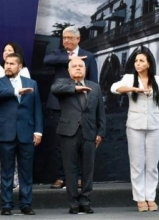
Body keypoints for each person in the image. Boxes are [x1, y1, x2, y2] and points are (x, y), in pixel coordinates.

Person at [110, 49, 159, 212]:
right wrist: (135, 90)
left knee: (152, 164)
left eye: (142, 61)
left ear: (149, 63)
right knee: (137, 163)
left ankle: (151, 197)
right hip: (135, 126)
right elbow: (115, 89)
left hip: (155, 125)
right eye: (136, 61)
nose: (138, 63)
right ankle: (140, 198)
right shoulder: (129, 78)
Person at [44, 26, 97, 189]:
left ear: (78, 39)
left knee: (80, 143)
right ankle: (61, 177)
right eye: (63, 37)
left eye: (69, 38)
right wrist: (70, 59)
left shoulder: (88, 56)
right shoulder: (58, 54)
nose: (65, 40)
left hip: (80, 106)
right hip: (58, 106)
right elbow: (46, 61)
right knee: (59, 143)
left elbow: (94, 82)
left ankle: (79, 177)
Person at [51, 57, 105, 215]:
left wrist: (101, 132)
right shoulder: (63, 83)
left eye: (80, 66)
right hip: (69, 132)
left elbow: (100, 112)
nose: (78, 68)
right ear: (69, 70)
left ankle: (85, 201)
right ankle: (73, 202)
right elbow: (55, 89)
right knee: (70, 169)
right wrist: (76, 88)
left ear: (85, 69)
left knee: (88, 169)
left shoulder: (95, 87)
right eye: (74, 66)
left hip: (89, 132)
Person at [0, 53, 42, 216]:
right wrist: (16, 91)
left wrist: (38, 131)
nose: (8, 66)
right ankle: (6, 204)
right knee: (6, 171)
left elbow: (37, 108)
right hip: (5, 133)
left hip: (26, 132)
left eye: (12, 64)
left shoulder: (31, 83)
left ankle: (26, 204)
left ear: (20, 67)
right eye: (6, 63)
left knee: (26, 171)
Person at [0, 42, 31, 190]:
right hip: (1, 111)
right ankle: (5, 182)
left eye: (10, 50)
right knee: (4, 150)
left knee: (20, 148)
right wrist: (14, 90)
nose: (6, 52)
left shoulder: (24, 70)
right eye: (4, 50)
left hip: (20, 113)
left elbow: (28, 91)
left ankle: (18, 182)